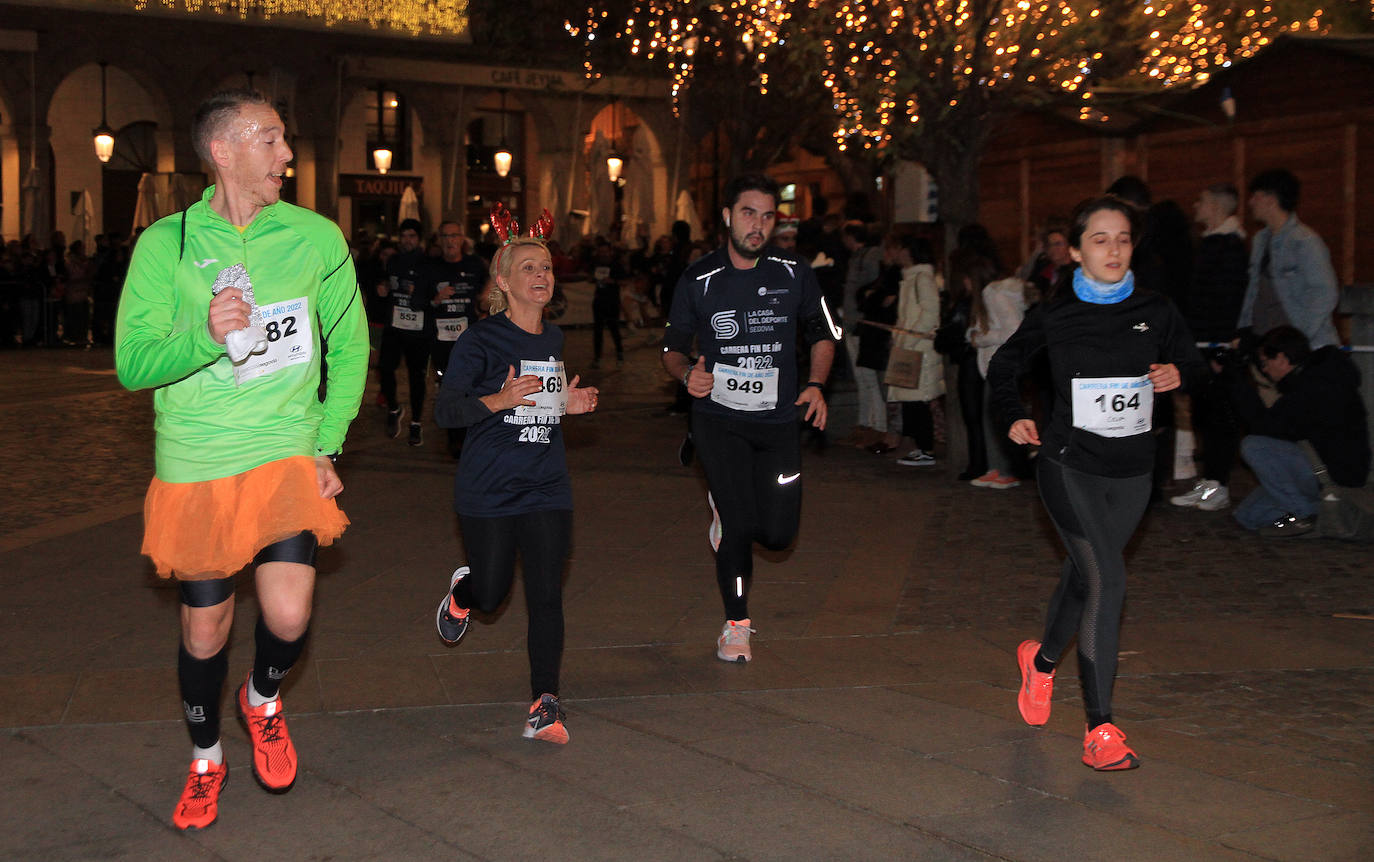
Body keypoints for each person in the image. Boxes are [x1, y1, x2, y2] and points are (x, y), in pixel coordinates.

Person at [114, 89, 368, 829]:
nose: (287, 156)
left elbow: (350, 346)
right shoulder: (167, 242)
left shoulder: (317, 238)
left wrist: (327, 442)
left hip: (284, 447)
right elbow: (132, 363)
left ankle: (261, 698)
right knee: (206, 629)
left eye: (285, 142)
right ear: (222, 152)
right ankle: (205, 759)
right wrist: (203, 333)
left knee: (288, 615)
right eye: (271, 141)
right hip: (196, 457)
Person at [988, 195, 1204, 771]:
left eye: (1124, 239)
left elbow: (1197, 364)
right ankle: (1100, 728)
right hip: (1067, 463)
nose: (1113, 250)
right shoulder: (1055, 315)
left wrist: (1179, 372)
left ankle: (1040, 663)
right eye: (1101, 239)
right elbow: (1003, 366)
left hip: (1133, 471)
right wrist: (1014, 413)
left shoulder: (1157, 309)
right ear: (1077, 250)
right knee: (1107, 578)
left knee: (1085, 581)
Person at [432, 211, 599, 744]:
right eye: (529, 267)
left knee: (547, 594)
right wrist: (499, 399)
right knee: (493, 594)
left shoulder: (552, 336)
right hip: (488, 488)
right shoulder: (480, 341)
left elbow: (540, 405)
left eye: (547, 267)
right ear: (503, 282)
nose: (542, 275)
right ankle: (466, 591)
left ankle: (544, 703)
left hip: (546, 484)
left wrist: (565, 405)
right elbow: (446, 412)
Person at [661, 173, 840, 663]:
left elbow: (823, 333)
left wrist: (816, 384)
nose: (757, 226)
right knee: (739, 522)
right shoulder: (698, 278)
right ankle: (736, 624)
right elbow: (672, 349)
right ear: (727, 216)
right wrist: (686, 377)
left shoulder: (793, 271)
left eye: (767, 216)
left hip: (778, 420)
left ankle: (732, 521)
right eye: (748, 214)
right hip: (718, 419)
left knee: (779, 535)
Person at [1222, 325, 1369, 536]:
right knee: (1247, 517)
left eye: (1265, 363)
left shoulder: (1314, 387)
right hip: (1319, 465)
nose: (1264, 370)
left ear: (1282, 359)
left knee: (1254, 446)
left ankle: (1305, 513)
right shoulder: (1317, 375)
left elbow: (1265, 426)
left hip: (1332, 474)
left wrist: (1236, 378)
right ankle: (1322, 510)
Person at [1171, 183, 1250, 512]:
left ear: (1216, 205)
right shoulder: (1211, 243)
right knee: (1203, 415)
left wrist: (1219, 348)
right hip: (1202, 343)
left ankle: (1218, 485)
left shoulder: (1229, 246)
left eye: (1200, 198)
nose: (1195, 204)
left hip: (1215, 345)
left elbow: (1226, 300)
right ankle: (1211, 480)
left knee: (1218, 417)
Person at [1237, 168, 1339, 350]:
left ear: (1270, 200)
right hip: (1266, 345)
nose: (1251, 202)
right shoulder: (1260, 240)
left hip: (1299, 348)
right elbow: (1253, 291)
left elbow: (1325, 293)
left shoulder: (1305, 241)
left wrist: (1298, 339)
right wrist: (1244, 330)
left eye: (1255, 196)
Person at [421, 219, 487, 458]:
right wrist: (436, 299)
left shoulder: (475, 265)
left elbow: (492, 284)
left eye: (454, 236)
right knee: (449, 390)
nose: (450, 241)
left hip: (469, 342)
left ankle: (468, 438)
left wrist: (484, 305)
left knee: (471, 389)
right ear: (439, 240)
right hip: (441, 344)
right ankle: (454, 440)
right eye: (446, 237)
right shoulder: (430, 268)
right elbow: (418, 301)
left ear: (462, 239)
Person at [883, 235, 944, 466]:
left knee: (918, 400)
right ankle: (920, 446)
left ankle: (926, 448)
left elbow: (929, 314)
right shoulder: (911, 278)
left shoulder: (922, 278)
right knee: (910, 400)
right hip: (908, 346)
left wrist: (907, 340)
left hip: (918, 349)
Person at [377, 217, 432, 444]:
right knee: (384, 368)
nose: (407, 240)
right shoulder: (393, 260)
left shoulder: (428, 263)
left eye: (412, 236)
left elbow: (433, 296)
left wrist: (417, 293)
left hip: (418, 330)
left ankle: (416, 423)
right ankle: (393, 408)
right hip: (395, 325)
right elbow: (385, 282)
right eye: (404, 236)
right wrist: (383, 288)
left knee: (416, 376)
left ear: (419, 239)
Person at [588, 239, 626, 368]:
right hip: (599, 300)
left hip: (612, 301)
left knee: (614, 328)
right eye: (601, 251)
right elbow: (589, 277)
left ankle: (620, 353)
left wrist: (612, 281)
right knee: (597, 330)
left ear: (610, 252)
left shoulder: (616, 265)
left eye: (605, 251)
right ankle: (597, 358)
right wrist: (593, 279)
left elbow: (624, 281)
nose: (603, 254)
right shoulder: (595, 263)